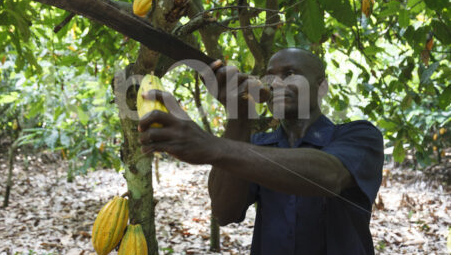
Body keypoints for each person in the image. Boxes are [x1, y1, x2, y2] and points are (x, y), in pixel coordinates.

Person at [138, 48, 384, 254]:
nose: (275, 84)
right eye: (269, 77)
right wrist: (239, 119)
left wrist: (212, 146)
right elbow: (225, 213)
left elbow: (328, 175)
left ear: (321, 88)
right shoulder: (257, 145)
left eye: (289, 74)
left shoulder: (360, 136)